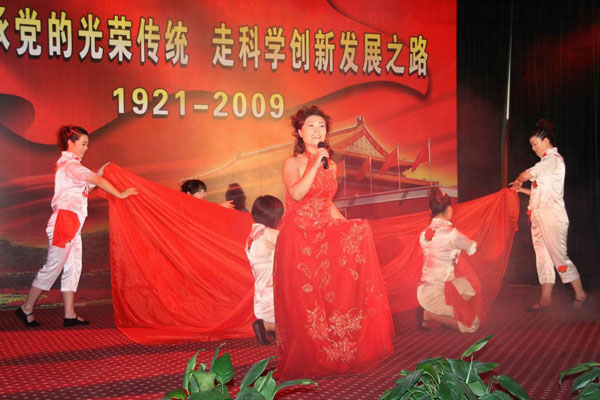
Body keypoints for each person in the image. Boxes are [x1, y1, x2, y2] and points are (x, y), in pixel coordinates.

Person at [273, 106, 394, 378]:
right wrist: (315, 164)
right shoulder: (292, 162)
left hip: (323, 237)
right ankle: (308, 358)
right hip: (298, 238)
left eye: (322, 127)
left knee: (328, 296)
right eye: (311, 126)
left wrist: (347, 226)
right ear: (300, 132)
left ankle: (329, 354)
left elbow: (326, 203)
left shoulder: (332, 165)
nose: (317, 131)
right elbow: (297, 193)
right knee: (306, 302)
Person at [16, 126, 137, 328]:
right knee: (53, 267)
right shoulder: (70, 165)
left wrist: (98, 173)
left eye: (87, 144)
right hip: (64, 222)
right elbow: (96, 180)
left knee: (73, 267)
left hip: (71, 224)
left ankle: (69, 314)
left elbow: (89, 183)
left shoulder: (70, 166)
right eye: (83, 144)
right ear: (70, 143)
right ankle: (26, 308)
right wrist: (120, 194)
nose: (86, 148)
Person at [509, 119, 587, 311]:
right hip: (539, 216)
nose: (533, 148)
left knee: (558, 256)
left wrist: (519, 180)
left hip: (552, 217)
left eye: (534, 144)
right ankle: (546, 299)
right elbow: (538, 192)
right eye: (531, 145)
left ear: (545, 141)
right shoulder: (545, 164)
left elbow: (526, 175)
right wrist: (522, 190)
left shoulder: (553, 160)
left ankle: (580, 293)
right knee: (543, 257)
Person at [416, 188, 480, 332]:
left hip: (431, 288)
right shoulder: (451, 234)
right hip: (434, 294)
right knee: (473, 324)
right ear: (449, 209)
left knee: (469, 287)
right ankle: (429, 314)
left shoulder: (425, 233)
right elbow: (473, 248)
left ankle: (450, 314)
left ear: (430, 211)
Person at [245, 195, 284, 345]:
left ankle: (267, 327)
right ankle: (268, 326)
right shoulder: (269, 234)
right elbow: (291, 243)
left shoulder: (255, 232)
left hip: (262, 278)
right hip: (269, 279)